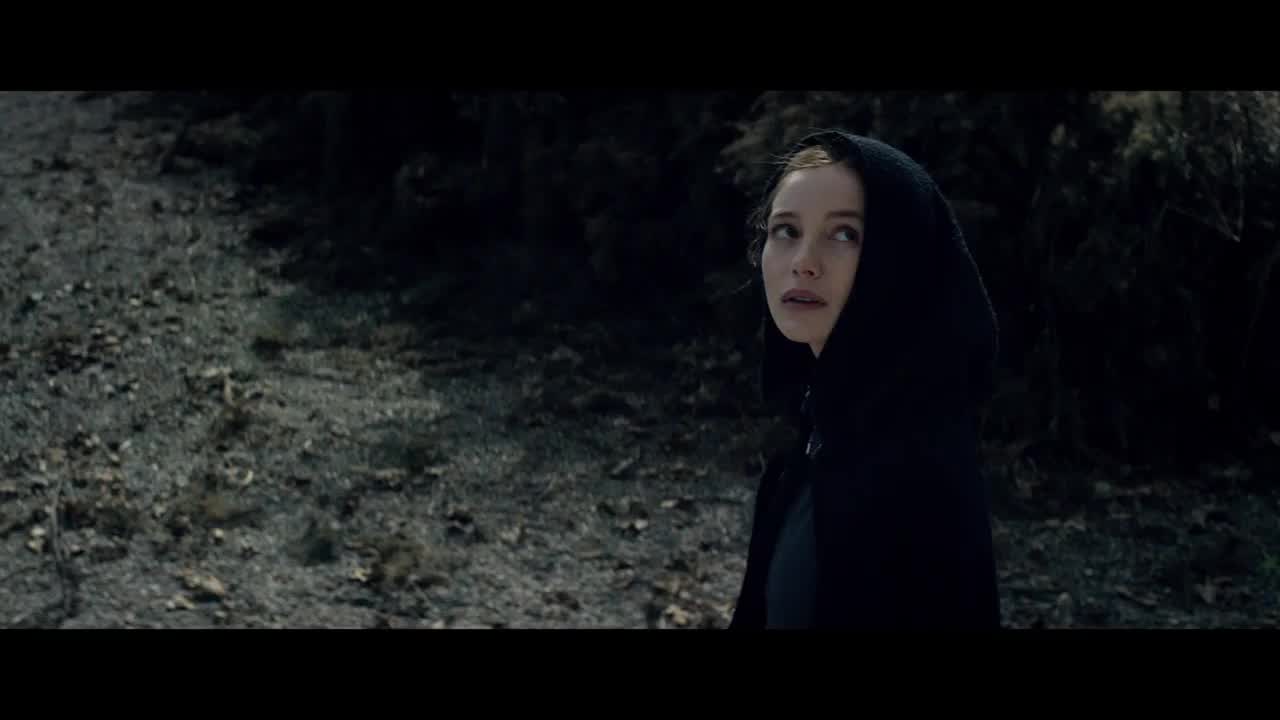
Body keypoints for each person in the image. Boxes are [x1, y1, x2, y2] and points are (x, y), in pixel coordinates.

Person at [728, 129, 1002, 630]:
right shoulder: (813, 439)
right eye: (785, 230)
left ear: (897, 263)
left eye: (844, 235)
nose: (803, 262)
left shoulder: (919, 473)